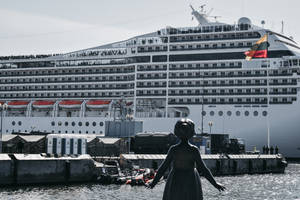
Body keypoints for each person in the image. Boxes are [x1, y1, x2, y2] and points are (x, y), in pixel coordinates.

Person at [147, 118, 225, 200]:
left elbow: (163, 168)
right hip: (191, 179)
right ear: (191, 133)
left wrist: (153, 183)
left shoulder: (173, 149)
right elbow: (203, 169)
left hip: (175, 178)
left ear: (176, 132)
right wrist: (215, 184)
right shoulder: (193, 150)